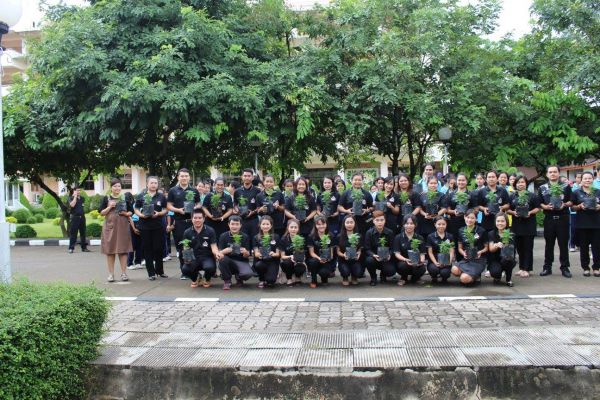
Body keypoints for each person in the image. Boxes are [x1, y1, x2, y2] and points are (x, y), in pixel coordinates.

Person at [537, 165, 573, 278]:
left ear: (558, 173)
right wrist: (545, 207)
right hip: (549, 219)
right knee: (549, 244)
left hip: (563, 218)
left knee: (563, 244)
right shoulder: (542, 188)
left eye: (555, 172)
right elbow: (539, 203)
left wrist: (564, 204)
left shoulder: (566, 186)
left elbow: (571, 201)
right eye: (550, 172)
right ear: (547, 174)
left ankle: (565, 267)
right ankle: (547, 267)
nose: (553, 174)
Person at [167, 168, 201, 279]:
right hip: (179, 222)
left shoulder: (194, 190)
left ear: (189, 177)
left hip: (193, 222)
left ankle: (195, 269)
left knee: (195, 245)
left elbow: (199, 203)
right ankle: (184, 270)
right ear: (178, 177)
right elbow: (169, 206)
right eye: (182, 176)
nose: (184, 178)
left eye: (186, 176)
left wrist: (194, 208)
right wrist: (178, 210)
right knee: (181, 246)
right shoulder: (173, 190)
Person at [134, 176, 169, 280]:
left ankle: (160, 271)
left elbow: (166, 209)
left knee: (158, 248)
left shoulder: (161, 196)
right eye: (152, 183)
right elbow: (136, 208)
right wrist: (141, 215)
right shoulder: (141, 196)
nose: (154, 185)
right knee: (147, 249)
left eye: (155, 183)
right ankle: (151, 273)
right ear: (147, 184)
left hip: (158, 225)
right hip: (144, 226)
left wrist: (159, 213)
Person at [99, 178, 133, 282]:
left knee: (123, 250)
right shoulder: (106, 198)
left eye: (119, 186)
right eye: (115, 186)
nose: (117, 188)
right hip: (110, 227)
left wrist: (126, 213)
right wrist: (109, 207)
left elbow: (131, 211)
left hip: (123, 226)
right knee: (110, 251)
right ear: (111, 187)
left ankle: (124, 273)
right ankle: (111, 274)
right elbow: (101, 213)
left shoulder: (125, 198)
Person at [507, 175, 540, 278]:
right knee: (519, 248)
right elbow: (508, 209)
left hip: (529, 225)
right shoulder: (512, 196)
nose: (520, 184)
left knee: (528, 248)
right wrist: (513, 212)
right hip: (516, 225)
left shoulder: (532, 196)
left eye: (522, 182)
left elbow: (538, 208)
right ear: (515, 184)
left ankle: (527, 269)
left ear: (526, 184)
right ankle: (521, 268)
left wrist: (530, 212)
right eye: (518, 182)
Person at [570, 171, 600, 276]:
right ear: (581, 180)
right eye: (585, 178)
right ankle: (585, 268)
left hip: (596, 223)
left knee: (597, 247)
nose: (587, 180)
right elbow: (572, 207)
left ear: (593, 179)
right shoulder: (576, 192)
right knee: (584, 247)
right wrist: (579, 206)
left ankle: (596, 268)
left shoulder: (598, 192)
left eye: (589, 178)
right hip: (582, 223)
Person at [181, 208, 219, 288]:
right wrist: (186, 257)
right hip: (193, 258)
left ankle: (207, 278)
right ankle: (196, 278)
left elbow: (214, 246)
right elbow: (185, 247)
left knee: (210, 268)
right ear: (191, 219)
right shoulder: (187, 232)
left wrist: (217, 253)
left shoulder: (210, 230)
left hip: (207, 257)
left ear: (204, 219)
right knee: (185, 269)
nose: (197, 220)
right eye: (195, 218)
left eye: (200, 218)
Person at [452, 209, 488, 285]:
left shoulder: (481, 230)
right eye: (468, 217)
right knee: (454, 270)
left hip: (478, 259)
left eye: (472, 218)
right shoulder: (461, 230)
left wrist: (480, 252)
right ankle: (470, 275)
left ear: (476, 219)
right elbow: (459, 248)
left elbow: (486, 248)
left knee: (464, 279)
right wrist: (463, 253)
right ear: (464, 217)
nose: (469, 220)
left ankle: (472, 276)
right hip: (466, 258)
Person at [217, 215, 253, 290]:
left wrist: (245, 252)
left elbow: (247, 255)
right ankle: (227, 281)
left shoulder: (245, 236)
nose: (234, 226)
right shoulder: (223, 236)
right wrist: (224, 251)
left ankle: (239, 277)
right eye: (232, 224)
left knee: (248, 274)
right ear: (228, 224)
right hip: (228, 260)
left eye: (237, 224)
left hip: (241, 261)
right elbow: (219, 254)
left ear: (240, 225)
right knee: (222, 259)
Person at [446, 173, 476, 259]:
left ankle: (470, 260)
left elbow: (476, 209)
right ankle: (459, 262)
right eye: (459, 180)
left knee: (469, 241)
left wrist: (468, 213)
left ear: (466, 181)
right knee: (456, 243)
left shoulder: (471, 194)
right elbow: (447, 210)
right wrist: (453, 211)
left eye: (463, 180)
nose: (461, 182)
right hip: (454, 223)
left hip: (468, 223)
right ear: (456, 181)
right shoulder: (451, 194)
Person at [364, 211, 395, 286]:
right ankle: (373, 277)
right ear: (373, 221)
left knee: (391, 271)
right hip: (374, 258)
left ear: (385, 221)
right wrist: (373, 255)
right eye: (377, 220)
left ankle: (383, 275)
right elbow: (367, 249)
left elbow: (392, 248)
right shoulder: (369, 233)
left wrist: (389, 254)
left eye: (382, 220)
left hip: (386, 259)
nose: (380, 222)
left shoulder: (389, 232)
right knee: (369, 260)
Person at [393, 215, 426, 286]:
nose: (409, 225)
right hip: (403, 262)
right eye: (407, 223)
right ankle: (403, 278)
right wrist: (405, 259)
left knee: (422, 268)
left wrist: (421, 261)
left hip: (416, 262)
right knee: (402, 266)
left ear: (415, 225)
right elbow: (397, 253)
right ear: (403, 225)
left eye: (411, 223)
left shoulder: (420, 238)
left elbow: (422, 253)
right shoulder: (398, 237)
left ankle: (415, 278)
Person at [488, 213, 516, 287]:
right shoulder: (491, 233)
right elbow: (491, 249)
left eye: (502, 221)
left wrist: (505, 246)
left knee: (508, 260)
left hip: (507, 258)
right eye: (498, 221)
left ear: (506, 222)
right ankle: (498, 275)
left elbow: (512, 250)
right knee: (495, 272)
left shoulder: (511, 234)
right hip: (495, 259)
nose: (500, 223)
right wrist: (496, 245)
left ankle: (508, 279)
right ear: (495, 222)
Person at [307, 216, 336, 287]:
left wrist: (327, 259)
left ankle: (324, 279)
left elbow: (332, 252)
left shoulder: (331, 236)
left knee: (324, 273)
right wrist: (319, 258)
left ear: (326, 224)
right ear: (315, 225)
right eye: (318, 224)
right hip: (316, 260)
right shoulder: (311, 236)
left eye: (323, 224)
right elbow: (311, 253)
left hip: (327, 260)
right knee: (313, 261)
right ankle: (314, 280)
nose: (321, 226)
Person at [253, 216, 281, 288]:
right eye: (263, 224)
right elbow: (256, 253)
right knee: (259, 265)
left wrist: (274, 254)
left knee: (271, 281)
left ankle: (271, 275)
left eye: (267, 224)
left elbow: (278, 254)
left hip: (272, 261)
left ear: (271, 225)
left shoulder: (276, 237)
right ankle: (262, 279)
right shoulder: (256, 237)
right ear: (260, 225)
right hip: (261, 261)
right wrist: (258, 254)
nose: (265, 226)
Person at [234, 168, 261, 240]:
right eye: (245, 176)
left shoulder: (258, 191)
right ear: (242, 177)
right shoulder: (237, 191)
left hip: (254, 220)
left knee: (255, 240)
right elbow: (235, 204)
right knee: (243, 240)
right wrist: (236, 210)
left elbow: (259, 206)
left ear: (252, 177)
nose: (247, 178)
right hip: (241, 220)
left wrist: (253, 212)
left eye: (249, 176)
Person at [278, 219, 307, 286]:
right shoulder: (283, 239)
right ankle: (289, 278)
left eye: (295, 227)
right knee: (287, 263)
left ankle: (298, 277)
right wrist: (291, 256)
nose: (293, 229)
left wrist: (300, 259)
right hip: (287, 261)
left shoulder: (301, 239)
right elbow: (282, 256)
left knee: (300, 266)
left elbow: (303, 254)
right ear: (288, 228)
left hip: (298, 261)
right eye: (291, 227)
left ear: (298, 228)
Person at [336, 215, 363, 286]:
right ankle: (345, 277)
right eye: (347, 222)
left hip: (355, 260)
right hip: (343, 260)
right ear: (344, 224)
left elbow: (360, 248)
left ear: (354, 223)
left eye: (351, 222)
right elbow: (338, 251)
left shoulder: (359, 236)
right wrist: (343, 255)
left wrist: (359, 253)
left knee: (359, 272)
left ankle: (354, 276)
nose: (349, 224)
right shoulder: (339, 236)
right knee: (345, 271)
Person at [426, 216, 454, 284]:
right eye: (439, 224)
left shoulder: (450, 236)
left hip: (446, 261)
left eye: (443, 224)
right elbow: (430, 252)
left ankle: (444, 279)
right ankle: (434, 277)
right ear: (435, 225)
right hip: (434, 261)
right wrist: (435, 262)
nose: (441, 226)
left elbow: (451, 251)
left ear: (446, 225)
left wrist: (449, 262)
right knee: (434, 269)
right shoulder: (430, 236)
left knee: (445, 273)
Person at [67, 186, 90, 253]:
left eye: (79, 190)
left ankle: (84, 248)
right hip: (75, 217)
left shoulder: (82, 198)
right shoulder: (70, 198)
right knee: (73, 233)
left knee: (83, 233)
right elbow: (72, 205)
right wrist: (75, 197)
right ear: (74, 191)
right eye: (77, 190)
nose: (78, 192)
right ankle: (71, 248)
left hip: (82, 217)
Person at [570, 172, 583, 252]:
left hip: (583, 212)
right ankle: (572, 245)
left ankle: (579, 244)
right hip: (573, 212)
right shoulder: (572, 187)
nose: (580, 179)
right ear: (575, 178)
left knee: (581, 229)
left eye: (581, 177)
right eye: (578, 177)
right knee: (573, 229)